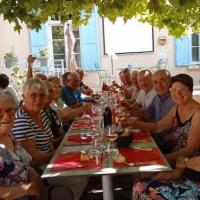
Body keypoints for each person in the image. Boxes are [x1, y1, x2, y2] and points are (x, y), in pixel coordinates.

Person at [0, 90, 73, 200]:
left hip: (34, 189)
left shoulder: (9, 135)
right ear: (24, 97)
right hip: (20, 195)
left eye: (10, 110)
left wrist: (34, 177)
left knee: (64, 192)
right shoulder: (22, 121)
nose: (6, 116)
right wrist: (27, 189)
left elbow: (25, 163)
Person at [121, 74, 200, 162]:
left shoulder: (197, 113)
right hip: (171, 151)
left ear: (191, 90)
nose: (178, 93)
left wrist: (161, 159)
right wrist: (134, 123)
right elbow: (158, 127)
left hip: (186, 163)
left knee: (139, 166)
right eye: (174, 90)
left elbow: (190, 150)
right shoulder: (177, 107)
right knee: (131, 156)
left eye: (182, 90)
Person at [132, 155, 200, 199]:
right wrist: (176, 172)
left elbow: (186, 155)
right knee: (141, 184)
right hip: (187, 178)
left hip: (196, 187)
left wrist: (184, 162)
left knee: (144, 190)